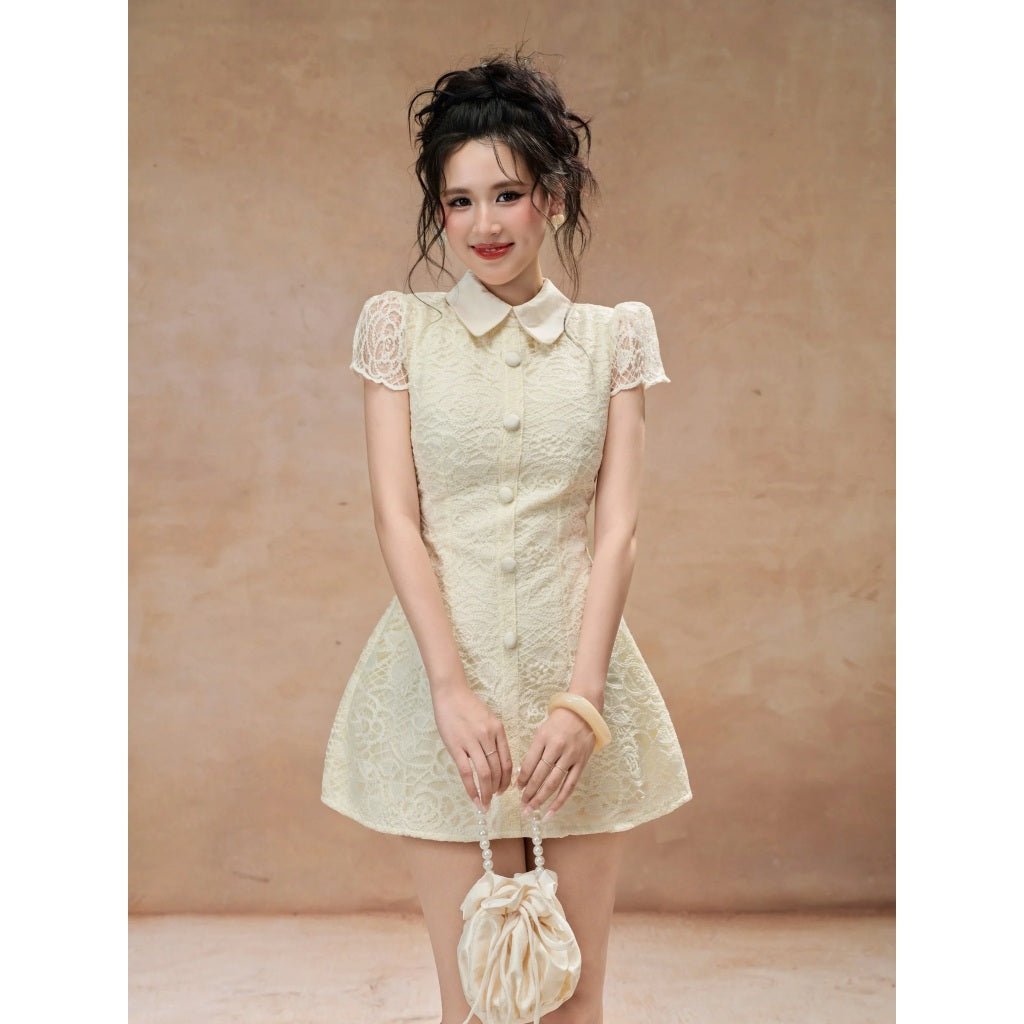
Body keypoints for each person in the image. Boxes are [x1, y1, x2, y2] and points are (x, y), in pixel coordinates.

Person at [322, 51, 692, 1024]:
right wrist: (449, 687)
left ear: (553, 199)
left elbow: (617, 532)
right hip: (446, 701)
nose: (484, 224)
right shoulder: (400, 330)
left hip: (579, 701)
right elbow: (396, 518)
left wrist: (583, 702)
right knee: (476, 1003)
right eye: (459, 201)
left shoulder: (614, 339)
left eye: (507, 195)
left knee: (572, 1005)